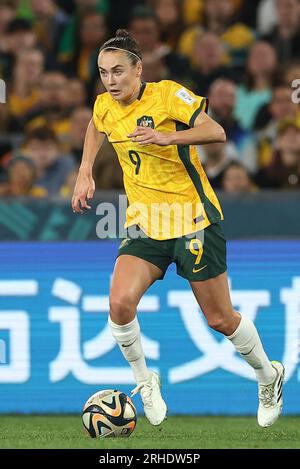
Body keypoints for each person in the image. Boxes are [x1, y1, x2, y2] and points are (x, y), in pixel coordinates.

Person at [72, 29, 284, 428]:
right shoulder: (105, 105)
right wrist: (85, 171)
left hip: (193, 219)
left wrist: (165, 136)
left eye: (118, 71)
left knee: (221, 319)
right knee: (118, 305)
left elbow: (216, 132)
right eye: (103, 73)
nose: (111, 80)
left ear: (139, 69)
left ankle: (267, 374)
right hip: (143, 223)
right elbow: (95, 126)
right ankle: (144, 381)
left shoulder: (168, 94)